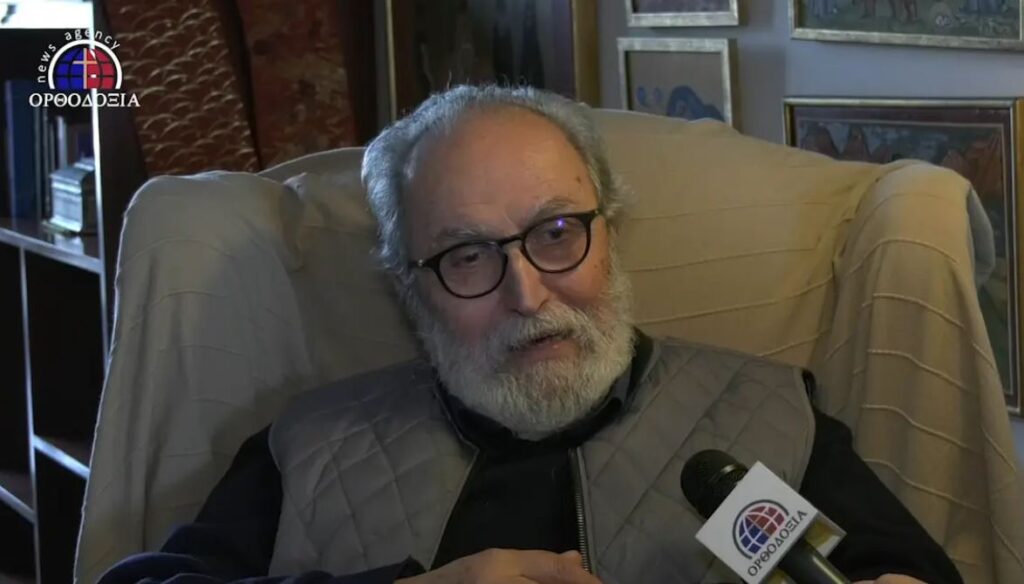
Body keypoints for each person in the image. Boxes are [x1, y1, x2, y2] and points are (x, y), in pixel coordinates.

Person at [98, 85, 962, 584]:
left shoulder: (767, 422)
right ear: (411, 286)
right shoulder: (313, 448)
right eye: (468, 255)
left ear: (610, 232)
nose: (527, 292)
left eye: (556, 232)